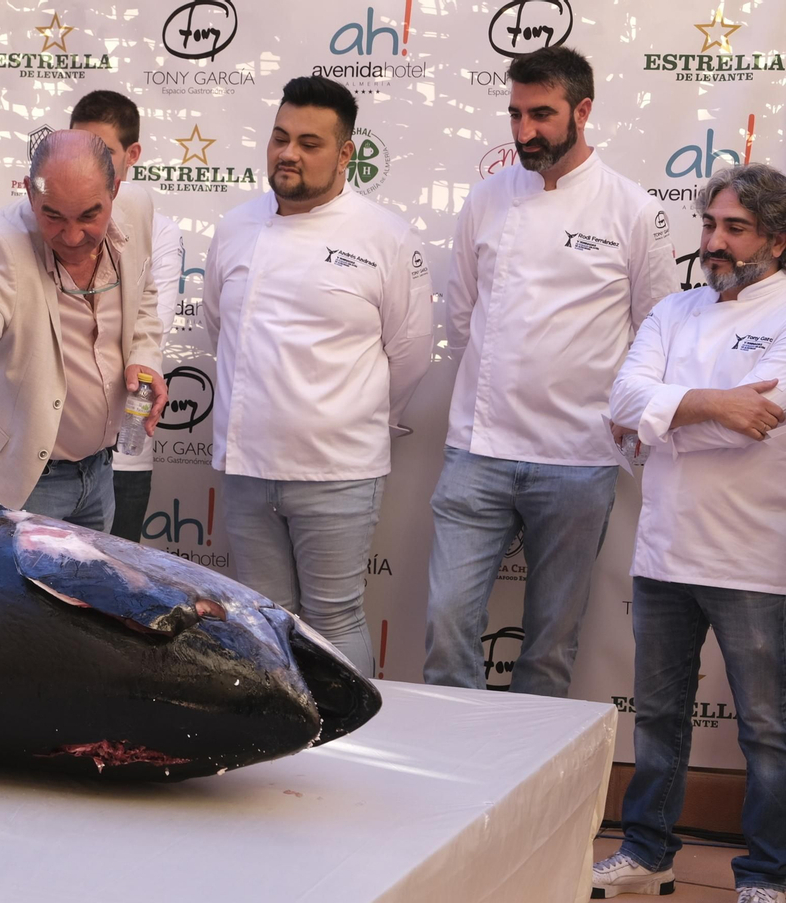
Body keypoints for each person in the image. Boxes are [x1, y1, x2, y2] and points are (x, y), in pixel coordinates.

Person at [421, 45, 679, 697]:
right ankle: (453, 782)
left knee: (550, 647)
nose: (524, 131)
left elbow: (658, 333)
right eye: (515, 114)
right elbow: (463, 315)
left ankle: (529, 793)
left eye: (541, 114)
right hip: (477, 450)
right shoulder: (485, 199)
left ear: (583, 111)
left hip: (577, 458)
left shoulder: (634, 211)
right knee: (447, 623)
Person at [593, 164, 786, 903]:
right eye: (710, 225)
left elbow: (757, 428)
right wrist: (708, 406)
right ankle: (648, 852)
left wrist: (664, 421)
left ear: (777, 237)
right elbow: (623, 397)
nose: (716, 241)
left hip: (755, 560)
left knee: (767, 731)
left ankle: (766, 873)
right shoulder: (673, 313)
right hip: (666, 551)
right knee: (661, 718)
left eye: (735, 228)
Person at [203, 76, 431, 674]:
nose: (288, 153)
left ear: (346, 154)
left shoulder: (385, 235)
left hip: (337, 470)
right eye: (280, 138)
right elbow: (219, 330)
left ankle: (347, 754)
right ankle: (280, 752)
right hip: (248, 467)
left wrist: (350, 420)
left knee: (334, 619)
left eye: (309, 142)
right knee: (265, 619)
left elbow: (407, 355)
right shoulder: (234, 228)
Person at [0, 130, 167, 528]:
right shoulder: (3, 243)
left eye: (89, 215)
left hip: (101, 473)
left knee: (86, 593)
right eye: (53, 216)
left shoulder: (138, 208)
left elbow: (144, 295)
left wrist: (145, 357)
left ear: (115, 191)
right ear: (31, 195)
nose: (71, 236)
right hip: (26, 482)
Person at [68, 90, 183, 542]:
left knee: (110, 602)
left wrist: (140, 358)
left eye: (104, 153)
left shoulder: (155, 225)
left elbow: (150, 322)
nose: (88, 165)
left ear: (133, 155)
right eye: (78, 148)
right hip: (47, 460)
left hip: (124, 455)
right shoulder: (46, 218)